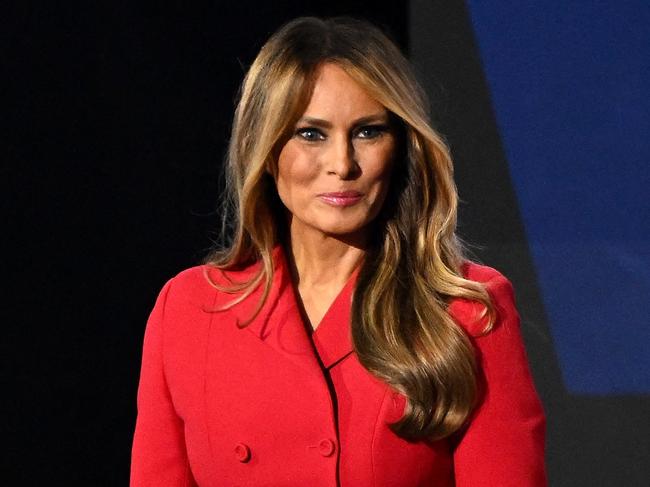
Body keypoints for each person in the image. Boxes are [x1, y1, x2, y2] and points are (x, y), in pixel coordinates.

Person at [130, 16, 547, 487]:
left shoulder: (467, 310)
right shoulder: (189, 309)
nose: (343, 164)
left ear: (401, 146)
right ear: (265, 149)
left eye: (368, 131)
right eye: (311, 133)